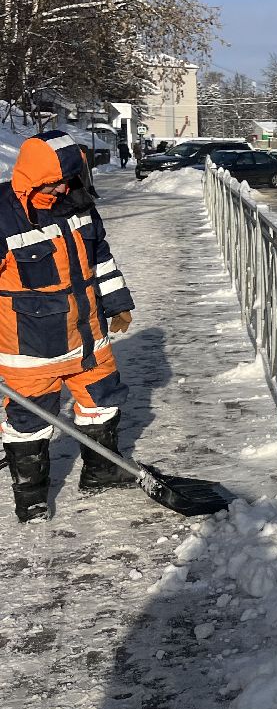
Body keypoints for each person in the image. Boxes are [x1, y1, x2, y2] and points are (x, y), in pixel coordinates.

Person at [1, 131, 135, 522]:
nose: (63, 187)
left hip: (88, 338)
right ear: (32, 178)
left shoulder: (77, 204)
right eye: (55, 181)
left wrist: (118, 304)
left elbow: (101, 260)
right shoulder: (3, 214)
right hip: (29, 347)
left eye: (69, 179)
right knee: (28, 423)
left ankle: (103, 471)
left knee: (102, 401)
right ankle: (32, 497)